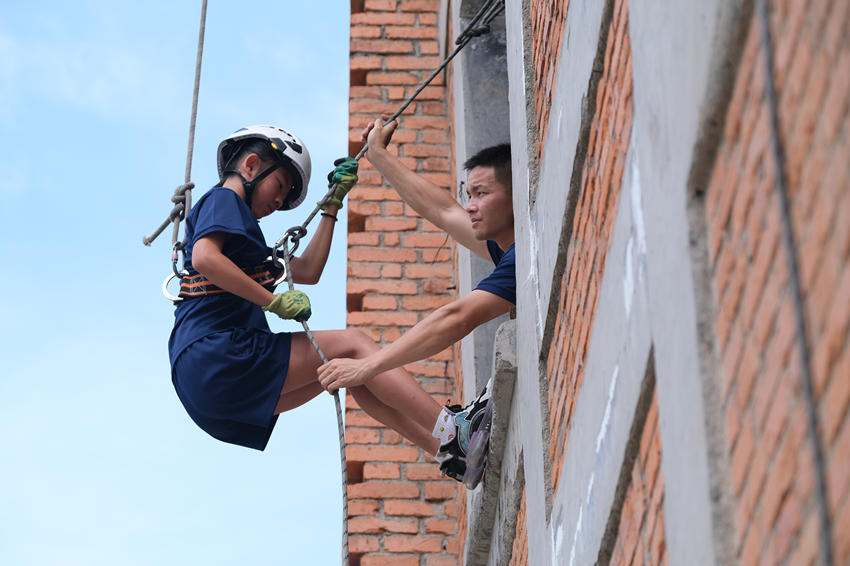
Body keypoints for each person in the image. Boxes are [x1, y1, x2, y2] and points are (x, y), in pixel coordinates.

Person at [168, 126, 462, 475]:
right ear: (250, 166)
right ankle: (456, 431)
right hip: (216, 352)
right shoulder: (224, 199)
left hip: (201, 381)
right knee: (355, 345)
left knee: (351, 372)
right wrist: (271, 302)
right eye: (279, 186)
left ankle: (449, 454)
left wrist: (333, 203)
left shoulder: (243, 240)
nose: (278, 203)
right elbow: (204, 258)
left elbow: (308, 270)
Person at [317, 118, 516, 485]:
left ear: (516, 193)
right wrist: (377, 155)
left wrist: (370, 364)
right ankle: (450, 446)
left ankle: (455, 432)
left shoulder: (520, 255)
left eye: (481, 194)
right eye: (468, 195)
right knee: (364, 384)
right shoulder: (502, 248)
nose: (470, 206)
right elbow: (440, 210)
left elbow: (456, 318)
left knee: (365, 372)